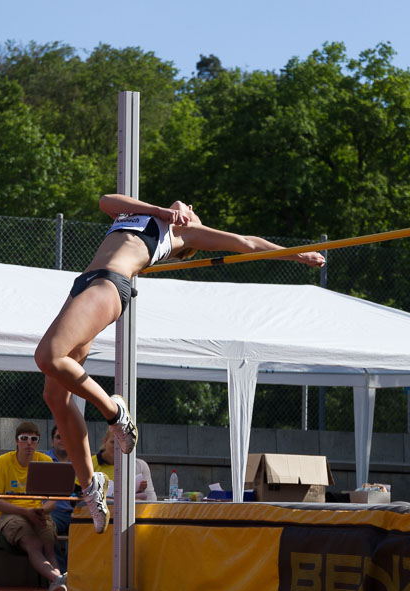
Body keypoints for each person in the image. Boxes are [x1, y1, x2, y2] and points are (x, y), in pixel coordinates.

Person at [35, 195, 325, 533]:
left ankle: (116, 414)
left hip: (109, 286)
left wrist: (297, 254)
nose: (186, 204)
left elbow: (247, 243)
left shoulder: (184, 234)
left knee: (47, 357)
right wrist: (160, 211)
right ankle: (90, 487)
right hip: (84, 285)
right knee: (55, 396)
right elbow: (104, 201)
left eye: (191, 208)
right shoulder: (141, 214)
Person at [0, 421, 67, 591]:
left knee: (49, 546)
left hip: (38, 514)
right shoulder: (4, 461)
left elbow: (53, 500)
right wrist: (26, 513)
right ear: (17, 441)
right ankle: (60, 579)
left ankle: (56, 586)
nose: (29, 443)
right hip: (10, 515)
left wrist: (42, 511)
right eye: (24, 439)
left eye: (34, 439)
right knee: (33, 544)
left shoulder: (45, 461)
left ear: (38, 442)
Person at [42, 424, 74, 571]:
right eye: (59, 437)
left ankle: (74, 572)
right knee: (46, 527)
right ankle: (62, 574)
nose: (63, 440)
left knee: (87, 527)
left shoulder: (82, 461)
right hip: (53, 512)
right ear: (52, 441)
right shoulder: (42, 460)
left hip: (77, 511)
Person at [92, 431, 157, 501]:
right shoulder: (90, 463)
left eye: (122, 444)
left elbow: (151, 499)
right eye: (113, 442)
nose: (116, 447)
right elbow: (80, 495)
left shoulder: (140, 466)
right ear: (105, 441)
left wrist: (139, 491)